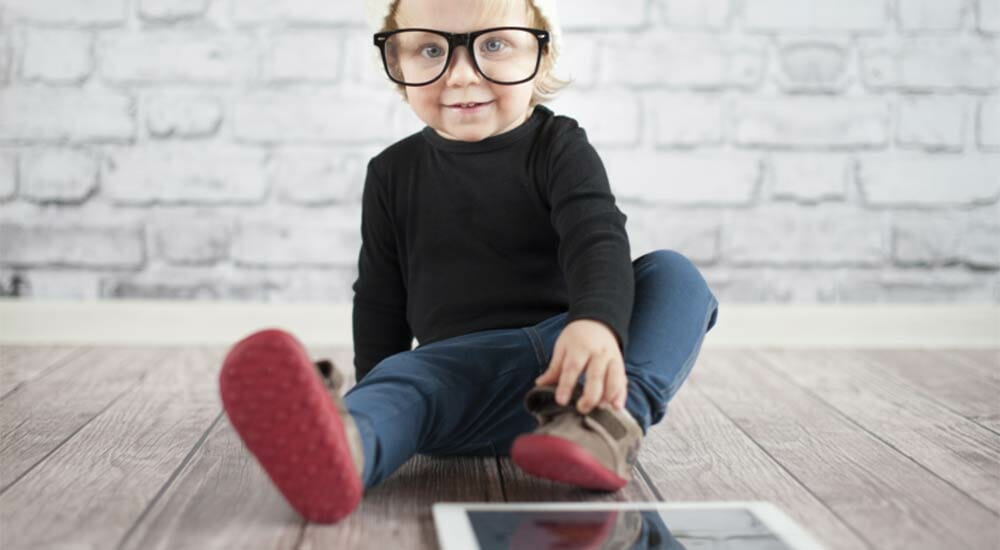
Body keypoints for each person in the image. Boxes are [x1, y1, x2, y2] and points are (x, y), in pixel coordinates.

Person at [218, 0, 720, 524]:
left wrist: (595, 324)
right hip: (456, 377)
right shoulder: (391, 173)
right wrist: (375, 390)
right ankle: (349, 443)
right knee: (404, 380)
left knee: (673, 275)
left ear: (542, 55)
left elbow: (596, 238)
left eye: (494, 44)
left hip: (570, 373)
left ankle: (606, 427)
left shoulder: (559, 146)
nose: (460, 75)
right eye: (430, 49)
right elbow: (379, 299)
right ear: (396, 62)